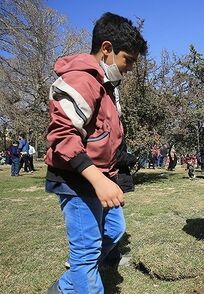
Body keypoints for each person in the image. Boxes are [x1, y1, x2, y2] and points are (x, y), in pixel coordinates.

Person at [44, 12, 147, 294]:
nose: (129, 68)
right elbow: (62, 135)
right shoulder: (81, 79)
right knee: (86, 254)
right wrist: (99, 180)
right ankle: (81, 276)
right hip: (76, 179)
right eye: (128, 60)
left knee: (113, 230)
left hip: (101, 177)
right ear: (106, 49)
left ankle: (66, 286)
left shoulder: (107, 86)